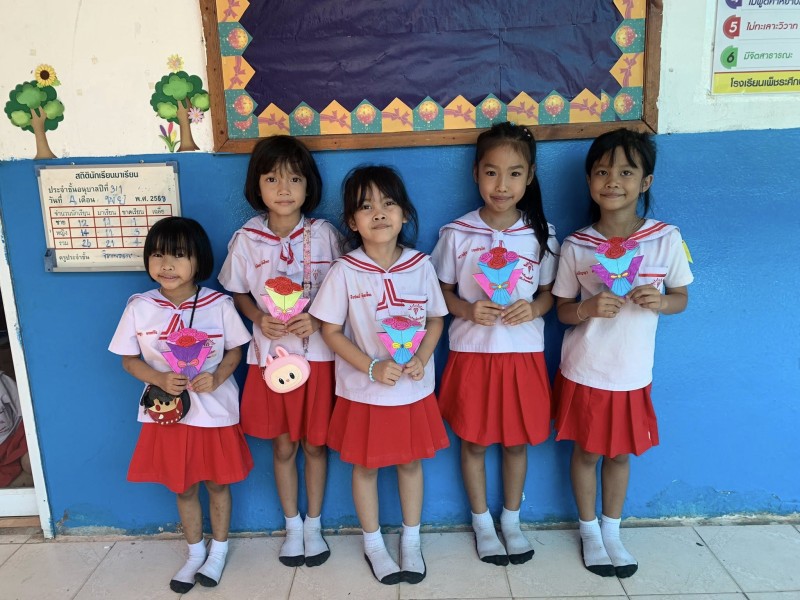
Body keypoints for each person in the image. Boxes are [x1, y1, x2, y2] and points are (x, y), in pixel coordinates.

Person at [552, 128, 693, 578]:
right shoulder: (576, 245)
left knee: (618, 455)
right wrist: (587, 308)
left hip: (632, 372)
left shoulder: (665, 238)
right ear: (589, 181)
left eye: (626, 172)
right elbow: (561, 310)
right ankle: (589, 532)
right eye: (602, 171)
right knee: (587, 453)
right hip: (586, 369)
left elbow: (681, 297)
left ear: (645, 182)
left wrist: (662, 302)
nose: (613, 180)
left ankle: (612, 531)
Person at [310, 166, 449, 585]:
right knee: (365, 467)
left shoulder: (421, 265)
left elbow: (436, 319)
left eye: (388, 203)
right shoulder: (344, 271)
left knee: (410, 463)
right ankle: (373, 544)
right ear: (352, 222)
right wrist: (371, 366)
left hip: (412, 390)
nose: (379, 213)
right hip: (363, 392)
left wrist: (422, 356)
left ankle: (411, 540)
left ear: (404, 213)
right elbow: (330, 331)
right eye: (366, 207)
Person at [431, 122, 560, 566]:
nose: (502, 185)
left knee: (516, 442)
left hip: (522, 355)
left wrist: (535, 308)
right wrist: (467, 311)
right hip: (472, 354)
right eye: (491, 172)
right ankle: (482, 523)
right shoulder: (456, 234)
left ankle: (511, 520)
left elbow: (550, 295)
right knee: (473, 442)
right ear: (476, 174)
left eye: (514, 173)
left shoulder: (542, 235)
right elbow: (440, 295)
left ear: (530, 176)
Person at [109, 216, 253, 593]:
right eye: (158, 255)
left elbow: (236, 351)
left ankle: (218, 552)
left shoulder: (219, 304)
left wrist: (217, 377)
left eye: (178, 255)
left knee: (217, 483)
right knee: (183, 487)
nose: (167, 265)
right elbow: (128, 360)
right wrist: (158, 378)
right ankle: (194, 552)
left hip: (214, 412)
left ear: (198, 260)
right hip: (167, 415)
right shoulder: (139, 306)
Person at [218, 135, 341, 568]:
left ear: (309, 185)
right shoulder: (246, 240)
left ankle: (314, 525)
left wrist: (320, 320)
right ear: (257, 185)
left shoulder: (326, 236)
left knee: (315, 446)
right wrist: (257, 317)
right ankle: (292, 526)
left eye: (294, 179)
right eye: (272, 179)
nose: (284, 189)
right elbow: (236, 292)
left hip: (319, 358)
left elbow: (346, 289)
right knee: (284, 446)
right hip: (270, 360)